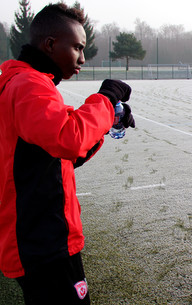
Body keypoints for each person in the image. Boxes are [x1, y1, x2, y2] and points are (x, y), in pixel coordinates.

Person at [0, 3, 135, 304]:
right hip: (43, 242)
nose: (83, 59)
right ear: (49, 44)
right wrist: (106, 98)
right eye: (77, 47)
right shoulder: (28, 85)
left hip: (41, 237)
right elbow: (68, 138)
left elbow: (62, 155)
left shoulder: (28, 82)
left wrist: (105, 123)